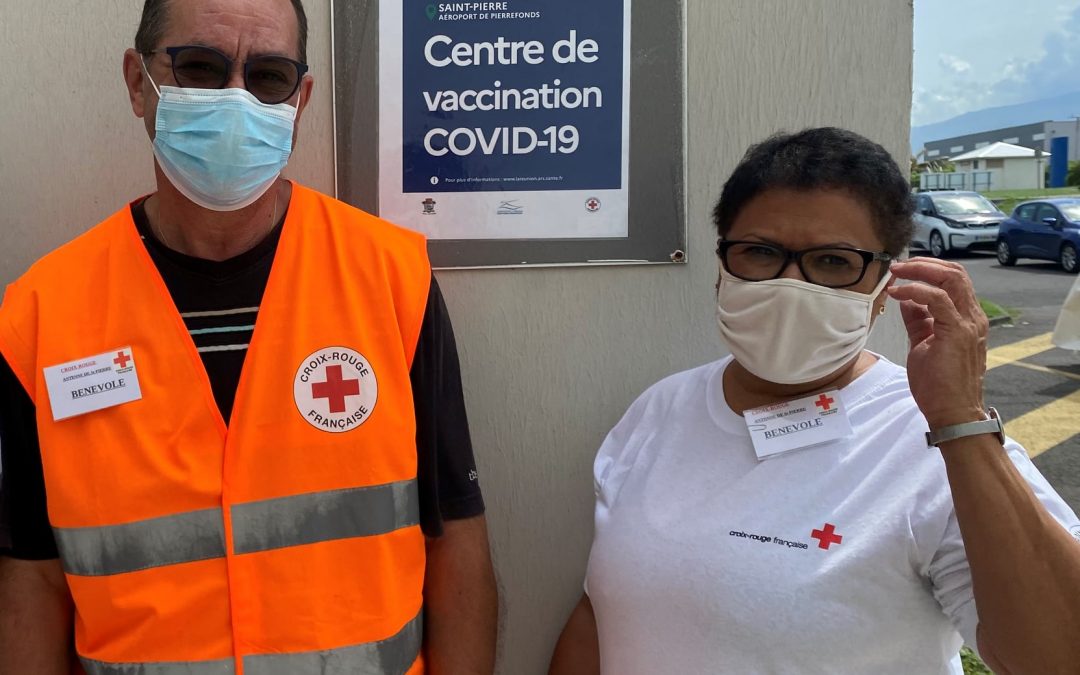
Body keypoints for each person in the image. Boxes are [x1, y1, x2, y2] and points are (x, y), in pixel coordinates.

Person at [0, 1, 497, 673]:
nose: (235, 99)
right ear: (137, 81)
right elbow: (32, 577)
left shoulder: (390, 280)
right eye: (200, 67)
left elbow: (455, 539)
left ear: (301, 99)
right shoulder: (41, 314)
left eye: (267, 77)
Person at [549, 127, 1080, 674]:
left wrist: (958, 419)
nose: (789, 285)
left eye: (832, 261)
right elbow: (600, 611)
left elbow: (1058, 657)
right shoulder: (659, 411)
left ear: (883, 286)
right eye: (759, 252)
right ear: (720, 266)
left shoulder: (934, 441)